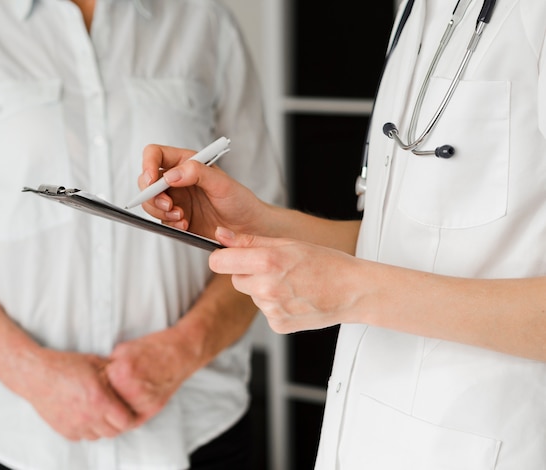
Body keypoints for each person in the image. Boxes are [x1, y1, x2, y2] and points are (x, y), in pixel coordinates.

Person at [137, 0, 546, 469]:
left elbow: (369, 283)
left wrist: (352, 292)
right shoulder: (417, 12)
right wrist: (258, 224)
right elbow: (412, 241)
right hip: (368, 438)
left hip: (496, 442)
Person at [0, 0, 285, 469]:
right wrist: (31, 373)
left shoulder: (205, 22)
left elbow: (264, 233)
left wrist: (183, 349)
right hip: (0, 434)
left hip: (196, 426)